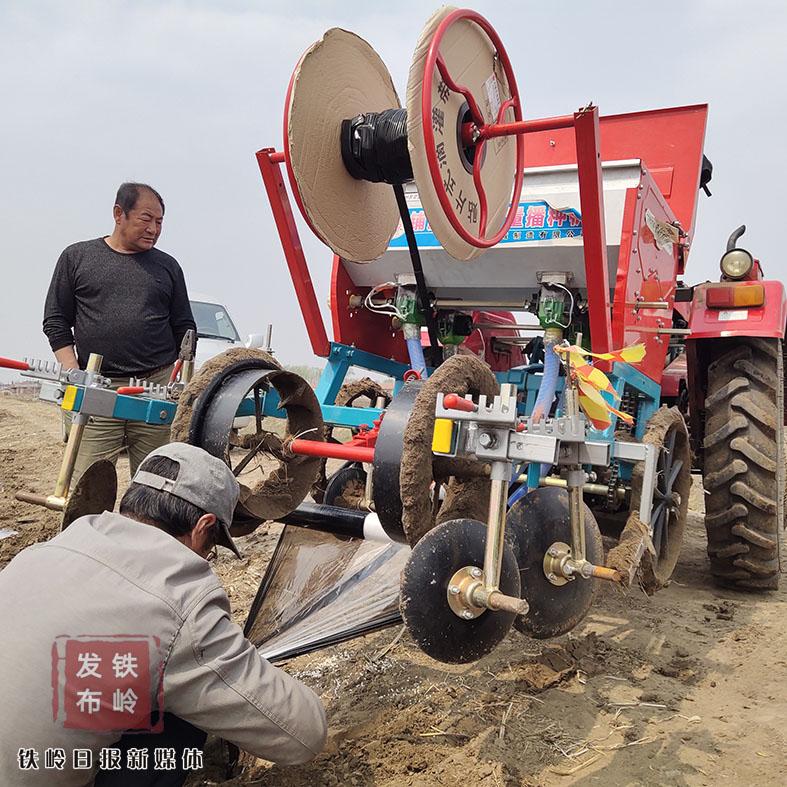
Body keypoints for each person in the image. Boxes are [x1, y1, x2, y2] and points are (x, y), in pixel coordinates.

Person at [0, 442, 327, 786]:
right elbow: (303, 735)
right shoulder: (179, 599)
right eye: (210, 548)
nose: (206, 557)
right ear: (204, 525)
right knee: (179, 726)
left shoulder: (40, 553)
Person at [43, 182, 197, 482]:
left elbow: (184, 327)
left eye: (159, 221)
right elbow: (56, 320)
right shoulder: (77, 257)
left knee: (156, 485)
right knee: (86, 484)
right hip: (97, 388)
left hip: (156, 390)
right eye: (146, 218)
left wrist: (179, 378)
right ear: (118, 214)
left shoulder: (168, 267)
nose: (153, 228)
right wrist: (77, 374)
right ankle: (85, 528)